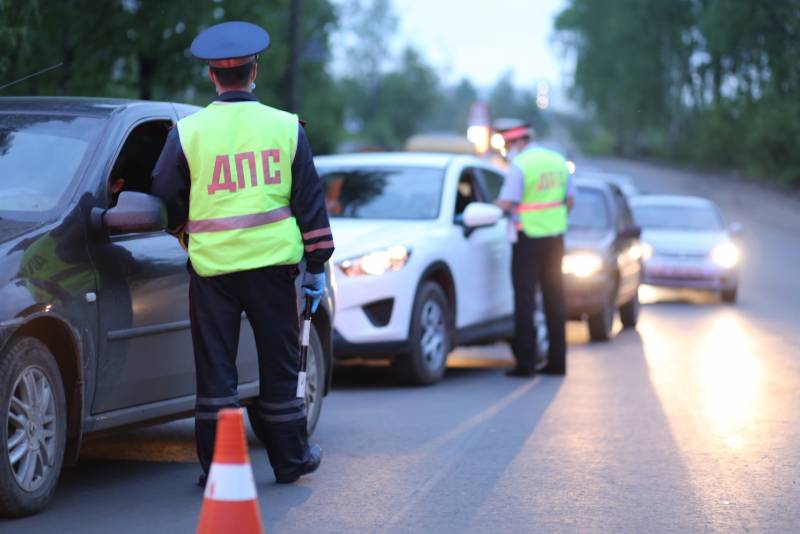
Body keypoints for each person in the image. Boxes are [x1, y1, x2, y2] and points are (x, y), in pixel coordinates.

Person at [151, 21, 334, 485]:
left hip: (213, 271)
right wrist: (317, 267)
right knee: (279, 364)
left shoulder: (188, 133)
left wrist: (186, 234)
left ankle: (218, 470)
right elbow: (310, 204)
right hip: (274, 270)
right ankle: (290, 459)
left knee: (216, 371)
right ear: (255, 72)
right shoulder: (286, 127)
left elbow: (163, 195)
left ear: (212, 76)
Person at [494, 121, 574, 377]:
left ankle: (526, 364)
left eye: (507, 146)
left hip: (527, 239)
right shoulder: (557, 160)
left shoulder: (520, 166)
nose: (506, 152)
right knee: (555, 299)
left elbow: (506, 203)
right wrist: (554, 219)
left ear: (517, 142)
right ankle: (557, 362)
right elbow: (570, 199)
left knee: (525, 301)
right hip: (554, 239)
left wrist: (491, 206)